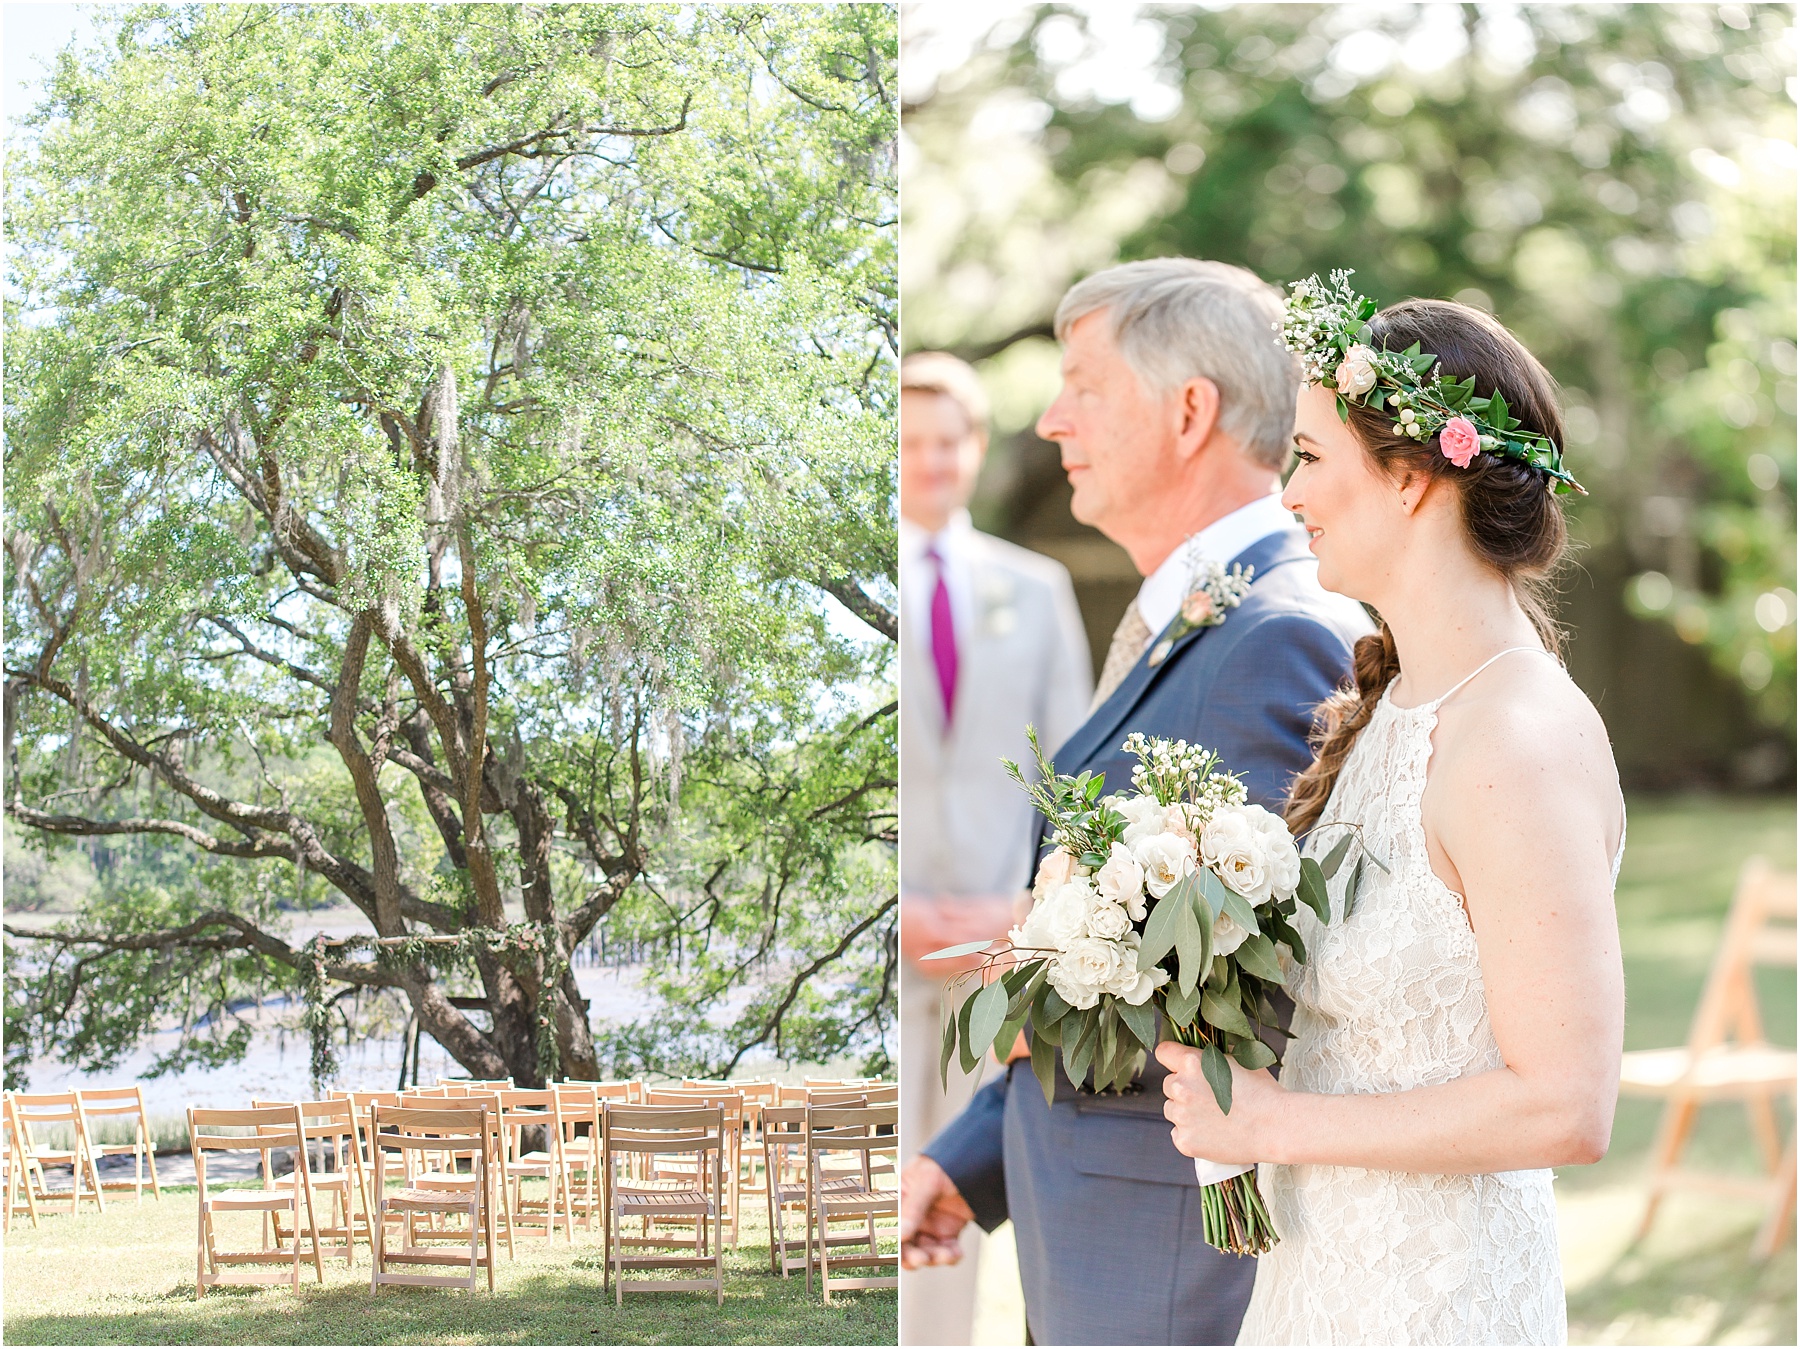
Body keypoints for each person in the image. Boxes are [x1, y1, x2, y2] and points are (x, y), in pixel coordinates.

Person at [901, 260, 1370, 1345]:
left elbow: (1256, 991)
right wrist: (975, 1157)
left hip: (1164, 1254)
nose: (1052, 418)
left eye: (1081, 384)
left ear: (1189, 410)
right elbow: (1119, 945)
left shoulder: (1278, 633)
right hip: (1091, 1222)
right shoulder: (1190, 617)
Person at [1157, 281, 1627, 1345]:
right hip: (1324, 1284)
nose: (1290, 493)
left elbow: (1566, 1104)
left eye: (1312, 457)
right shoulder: (1395, 711)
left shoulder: (1515, 738)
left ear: (1413, 477)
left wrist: (1276, 1121)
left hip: (1440, 1301)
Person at [898, 349, 1092, 1347]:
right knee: (877, 1208)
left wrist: (1025, 917)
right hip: (876, 958)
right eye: (910, 442)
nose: (930, 462)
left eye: (949, 441)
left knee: (976, 1202)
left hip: (1001, 959)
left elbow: (1073, 783)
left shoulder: (1037, 586)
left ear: (975, 449)